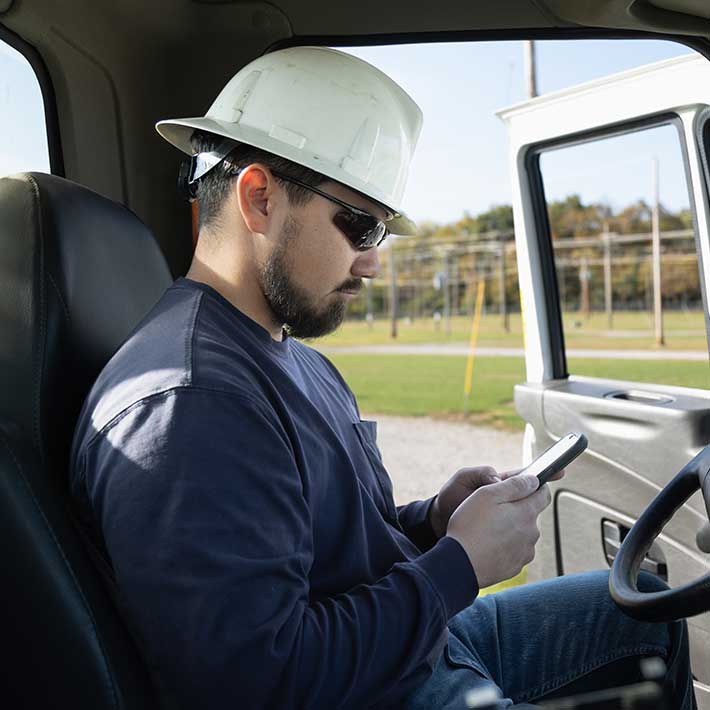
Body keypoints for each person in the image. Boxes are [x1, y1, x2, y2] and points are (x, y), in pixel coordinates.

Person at [69, 45, 696, 709]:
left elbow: (318, 548)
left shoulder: (291, 355)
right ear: (258, 198)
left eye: (380, 234)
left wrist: (433, 521)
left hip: (416, 649)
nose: (371, 264)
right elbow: (257, 683)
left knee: (641, 610)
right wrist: (459, 565)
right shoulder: (191, 404)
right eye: (360, 225)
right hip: (376, 688)